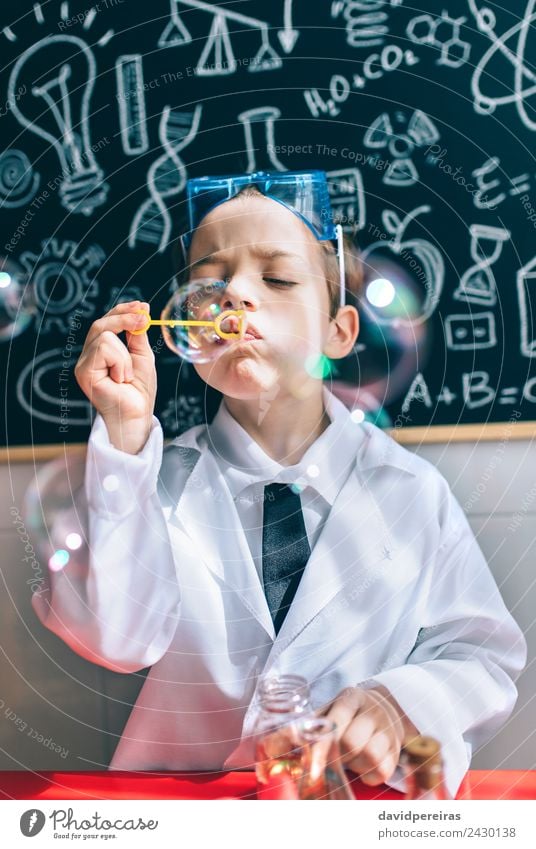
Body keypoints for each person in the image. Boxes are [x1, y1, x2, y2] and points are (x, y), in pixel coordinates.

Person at [32, 170, 526, 796]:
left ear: (338, 332)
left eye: (277, 277)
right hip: (181, 815)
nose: (235, 294)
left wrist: (398, 700)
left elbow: (482, 655)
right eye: (209, 283)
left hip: (348, 809)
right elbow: (118, 641)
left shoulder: (409, 491)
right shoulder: (143, 478)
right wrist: (126, 436)